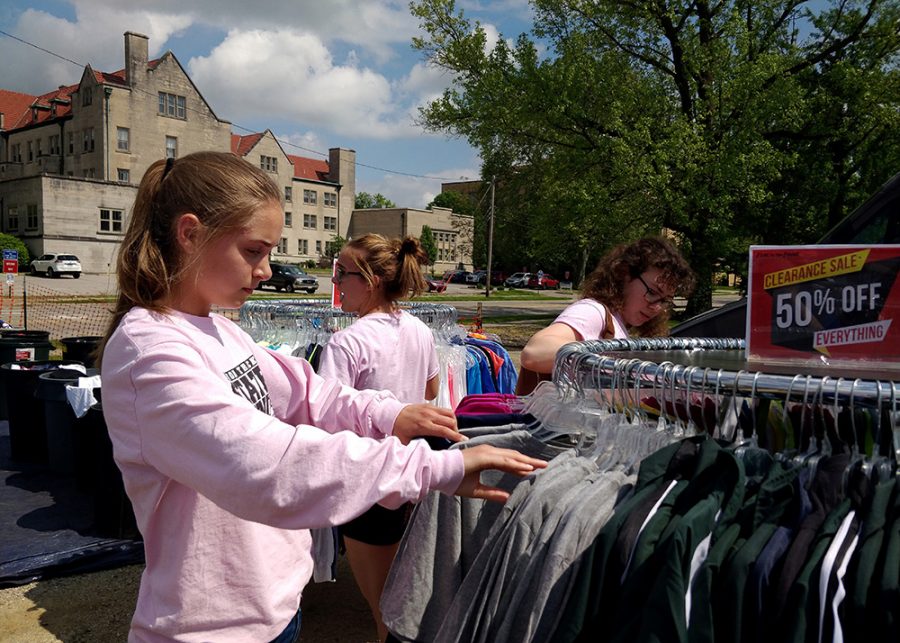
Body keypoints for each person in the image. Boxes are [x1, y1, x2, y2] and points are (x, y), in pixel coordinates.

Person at [97, 151, 547, 643]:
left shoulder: (218, 329)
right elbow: (264, 462)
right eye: (253, 250)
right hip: (211, 626)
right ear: (190, 234)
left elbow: (310, 392)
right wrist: (431, 468)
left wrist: (393, 413)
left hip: (275, 604)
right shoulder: (150, 351)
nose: (266, 270)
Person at [317, 233, 439, 641]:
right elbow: (432, 390)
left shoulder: (346, 342)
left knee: (385, 610)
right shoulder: (419, 329)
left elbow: (327, 421)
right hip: (413, 474)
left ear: (369, 280)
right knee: (406, 593)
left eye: (342, 274)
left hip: (370, 483)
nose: (336, 283)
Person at [518, 236, 695, 393]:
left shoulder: (620, 325)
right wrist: (615, 360)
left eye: (664, 301)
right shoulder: (594, 311)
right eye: (653, 292)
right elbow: (535, 353)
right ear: (624, 274)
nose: (656, 308)